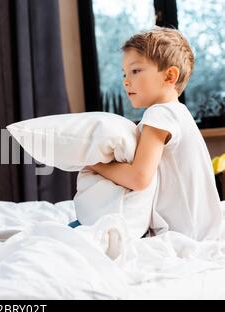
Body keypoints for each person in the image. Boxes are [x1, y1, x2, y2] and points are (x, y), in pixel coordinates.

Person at [71, 27, 222, 241]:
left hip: (183, 234)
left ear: (169, 76)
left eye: (135, 71)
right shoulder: (179, 112)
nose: (125, 81)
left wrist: (95, 164)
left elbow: (139, 177)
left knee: (77, 235)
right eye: (124, 73)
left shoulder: (159, 114)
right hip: (200, 229)